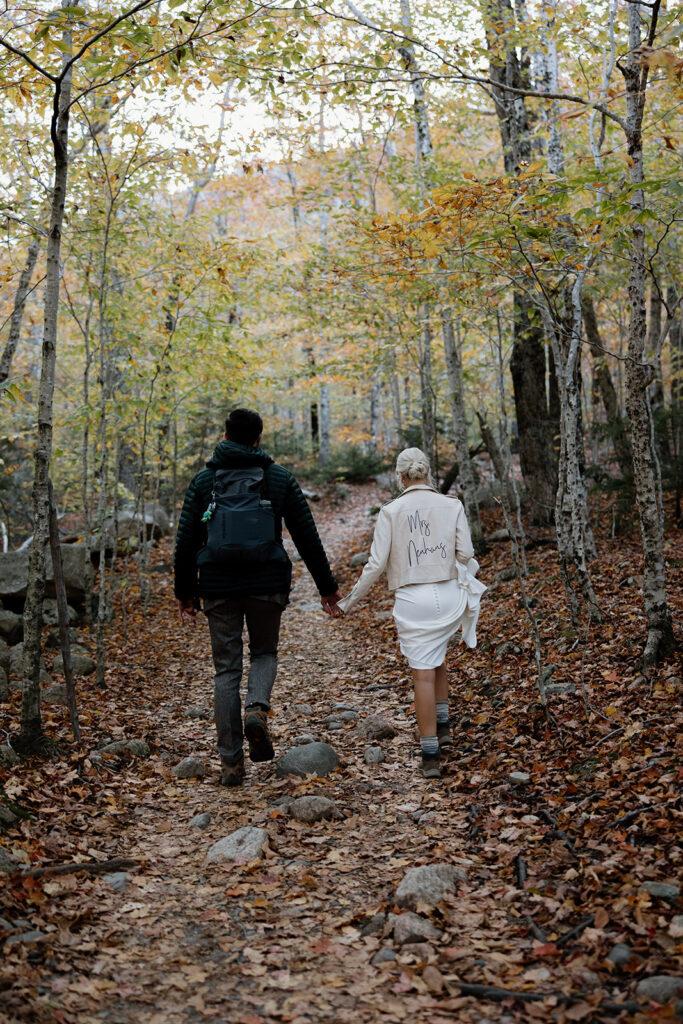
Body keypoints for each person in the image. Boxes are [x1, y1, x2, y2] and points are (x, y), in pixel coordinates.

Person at [174, 408, 342, 787]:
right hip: (267, 583)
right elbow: (306, 536)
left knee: (226, 671)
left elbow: (185, 542)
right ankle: (256, 708)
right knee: (264, 652)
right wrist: (327, 588)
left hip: (217, 586)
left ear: (225, 435)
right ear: (258, 438)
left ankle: (231, 764)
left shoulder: (204, 482)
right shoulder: (278, 478)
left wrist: (185, 593)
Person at [337, 447, 486, 779]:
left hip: (413, 599)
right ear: (428, 472)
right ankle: (444, 726)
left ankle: (431, 753)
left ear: (399, 475)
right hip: (448, 595)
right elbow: (467, 553)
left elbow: (375, 564)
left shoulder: (391, 511)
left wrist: (348, 602)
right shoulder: (452, 505)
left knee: (422, 673)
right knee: (439, 657)